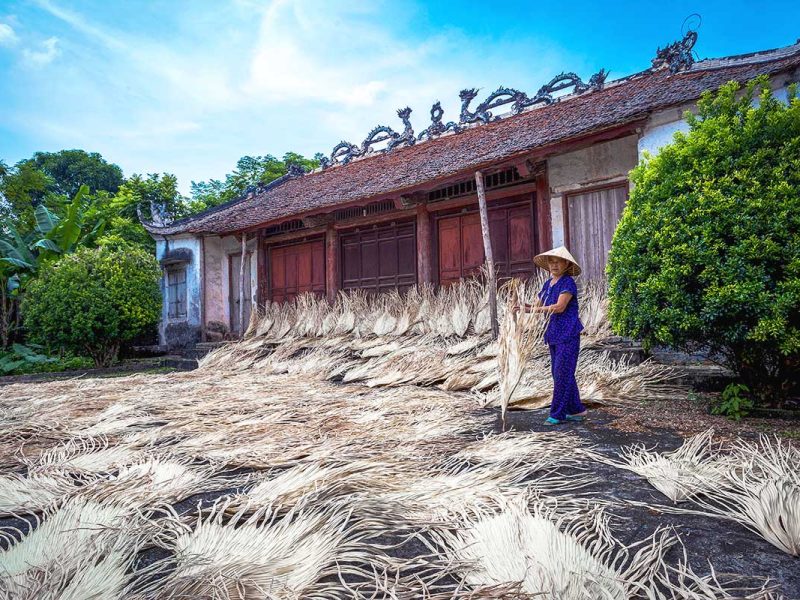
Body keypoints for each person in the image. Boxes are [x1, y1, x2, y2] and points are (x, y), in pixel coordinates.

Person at [517, 246, 586, 425]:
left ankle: (557, 414)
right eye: (551, 262)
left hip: (568, 333)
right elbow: (536, 305)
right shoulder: (548, 285)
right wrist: (521, 306)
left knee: (562, 373)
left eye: (558, 262)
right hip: (553, 334)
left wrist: (533, 309)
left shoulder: (568, 283)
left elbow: (559, 307)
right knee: (560, 373)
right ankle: (575, 409)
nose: (554, 265)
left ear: (566, 264)